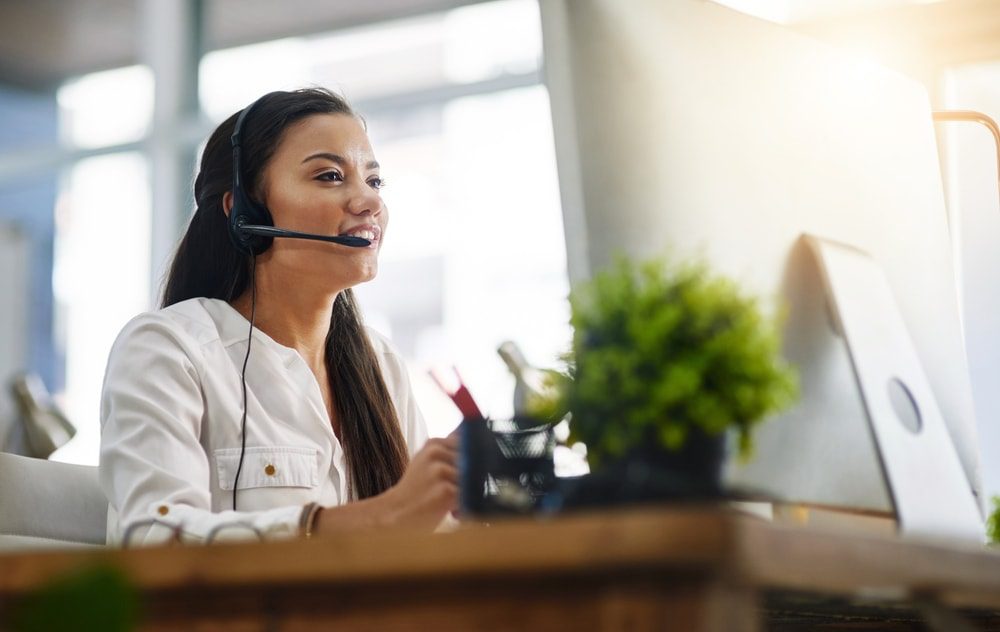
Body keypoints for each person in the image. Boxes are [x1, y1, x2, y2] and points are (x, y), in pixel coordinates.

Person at [99, 88, 458, 545]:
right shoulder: (170, 349)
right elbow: (154, 537)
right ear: (244, 210)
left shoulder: (381, 365)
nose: (369, 203)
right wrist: (371, 519)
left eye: (374, 181)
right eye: (330, 176)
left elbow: (420, 539)